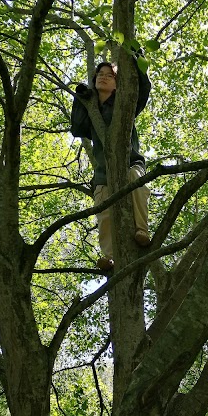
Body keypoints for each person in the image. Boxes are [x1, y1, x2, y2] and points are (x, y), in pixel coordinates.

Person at [70, 57, 151, 270]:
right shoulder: (92, 109)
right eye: (100, 75)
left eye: (109, 75)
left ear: (118, 83)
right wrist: (81, 99)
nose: (103, 78)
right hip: (102, 172)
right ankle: (111, 256)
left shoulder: (127, 103)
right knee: (103, 206)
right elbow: (78, 128)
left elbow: (143, 89)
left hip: (130, 162)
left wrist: (134, 56)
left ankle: (142, 230)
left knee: (136, 180)